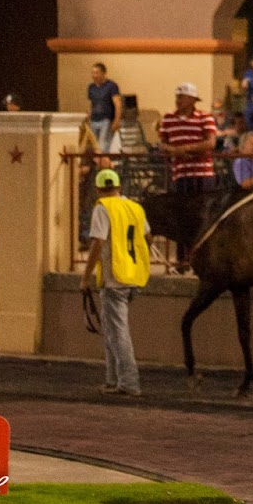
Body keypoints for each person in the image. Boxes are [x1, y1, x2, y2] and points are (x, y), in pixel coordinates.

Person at [80, 167, 149, 397]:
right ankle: (112, 380)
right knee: (111, 329)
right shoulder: (135, 207)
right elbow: (147, 236)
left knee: (118, 331)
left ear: (99, 189)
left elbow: (97, 243)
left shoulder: (103, 208)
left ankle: (129, 382)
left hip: (114, 277)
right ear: (119, 187)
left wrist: (86, 276)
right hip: (134, 276)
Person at [158, 82, 217, 196]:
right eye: (177, 97)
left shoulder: (205, 117)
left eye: (181, 97)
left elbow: (210, 143)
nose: (177, 101)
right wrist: (174, 151)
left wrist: (185, 149)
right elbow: (162, 143)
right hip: (180, 173)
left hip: (202, 173)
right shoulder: (168, 118)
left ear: (191, 100)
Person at [87, 62, 123, 153]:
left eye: (96, 73)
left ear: (103, 73)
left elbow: (117, 104)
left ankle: (103, 164)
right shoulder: (91, 87)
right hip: (94, 120)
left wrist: (116, 120)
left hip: (105, 120)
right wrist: (88, 118)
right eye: (93, 73)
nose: (94, 75)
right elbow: (91, 104)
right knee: (94, 146)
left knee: (103, 146)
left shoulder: (111, 86)